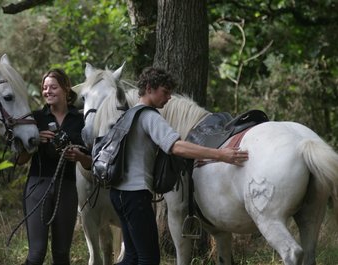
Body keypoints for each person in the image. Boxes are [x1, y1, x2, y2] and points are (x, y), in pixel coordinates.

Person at [109, 67, 249, 265]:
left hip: (118, 194)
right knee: (148, 259)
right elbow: (176, 146)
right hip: (136, 196)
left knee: (131, 257)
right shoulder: (150, 117)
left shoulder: (127, 115)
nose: (168, 99)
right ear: (149, 88)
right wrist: (220, 154)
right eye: (165, 93)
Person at [18, 68, 91, 265]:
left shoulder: (81, 120)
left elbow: (90, 162)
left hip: (67, 188)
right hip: (37, 186)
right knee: (36, 254)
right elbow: (19, 160)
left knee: (61, 254)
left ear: (66, 89)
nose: (47, 91)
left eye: (53, 87)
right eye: (44, 87)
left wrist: (78, 156)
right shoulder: (35, 118)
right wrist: (35, 140)